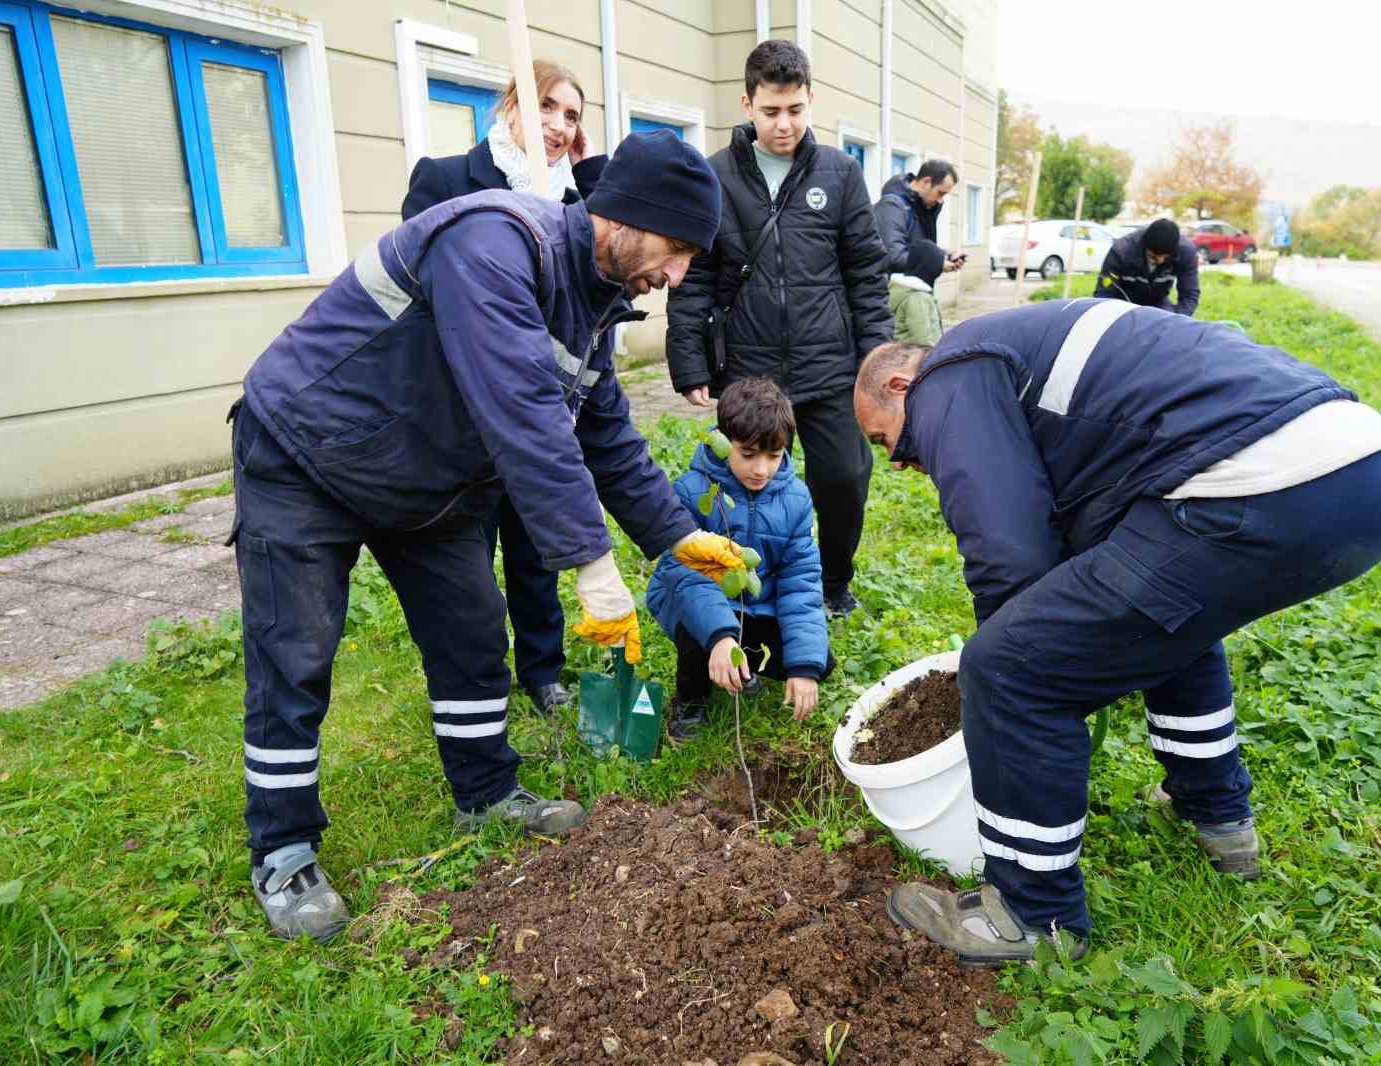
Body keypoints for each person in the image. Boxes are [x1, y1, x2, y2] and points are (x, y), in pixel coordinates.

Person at [230, 131, 744, 942]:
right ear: (628, 217)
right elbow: (526, 418)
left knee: (473, 631)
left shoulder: (594, 303)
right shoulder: (494, 241)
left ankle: (484, 794)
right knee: (295, 650)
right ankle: (285, 847)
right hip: (309, 450)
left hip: (426, 478)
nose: (676, 277)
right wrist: (591, 565)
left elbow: (603, 438)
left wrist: (676, 538)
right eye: (677, 251)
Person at [853, 300, 1381, 965]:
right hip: (1360, 475)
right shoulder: (1027, 356)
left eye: (893, 442)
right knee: (1172, 615)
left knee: (1008, 665)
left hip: (1255, 482)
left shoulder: (950, 371)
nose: (902, 465)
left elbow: (1011, 553)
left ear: (899, 386)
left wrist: (1024, 666)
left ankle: (1029, 917)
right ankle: (1219, 819)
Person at [400, 60, 603, 716]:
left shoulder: (571, 200)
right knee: (469, 553)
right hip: (466, 404)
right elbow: (422, 283)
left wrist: (586, 172)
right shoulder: (446, 178)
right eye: (547, 106)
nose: (558, 125)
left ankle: (543, 669)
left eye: (571, 116)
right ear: (511, 103)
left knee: (535, 544)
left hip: (540, 401)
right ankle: (473, 676)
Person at [665, 39, 892, 618]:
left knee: (843, 478)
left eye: (795, 109)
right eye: (770, 111)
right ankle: (744, 592)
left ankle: (832, 585)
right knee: (744, 485)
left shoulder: (840, 174)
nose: (784, 124)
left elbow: (866, 273)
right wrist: (689, 360)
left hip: (829, 365)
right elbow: (694, 275)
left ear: (810, 100)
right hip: (750, 371)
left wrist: (878, 361)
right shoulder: (714, 176)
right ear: (747, 104)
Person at [646, 377, 834, 740]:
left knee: (818, 660)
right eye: (748, 454)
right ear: (722, 441)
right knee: (697, 623)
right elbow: (685, 576)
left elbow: (801, 584)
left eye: (773, 456)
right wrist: (719, 637)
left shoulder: (795, 500)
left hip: (757, 607)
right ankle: (691, 699)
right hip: (700, 601)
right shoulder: (692, 492)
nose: (761, 469)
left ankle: (744, 666)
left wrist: (804, 666)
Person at [873, 159, 963, 346]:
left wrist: (943, 254)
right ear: (925, 182)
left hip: (913, 289)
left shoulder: (922, 206)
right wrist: (937, 264)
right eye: (940, 193)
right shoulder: (892, 207)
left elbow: (919, 247)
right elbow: (893, 255)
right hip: (896, 296)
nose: (941, 200)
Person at [1094, 218, 1201, 316]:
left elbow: (1189, 295)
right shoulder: (1121, 251)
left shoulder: (1186, 252)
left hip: (1158, 303)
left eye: (1165, 257)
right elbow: (1104, 293)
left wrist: (1179, 323)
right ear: (1145, 246)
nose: (1160, 261)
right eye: (1153, 257)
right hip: (1124, 304)